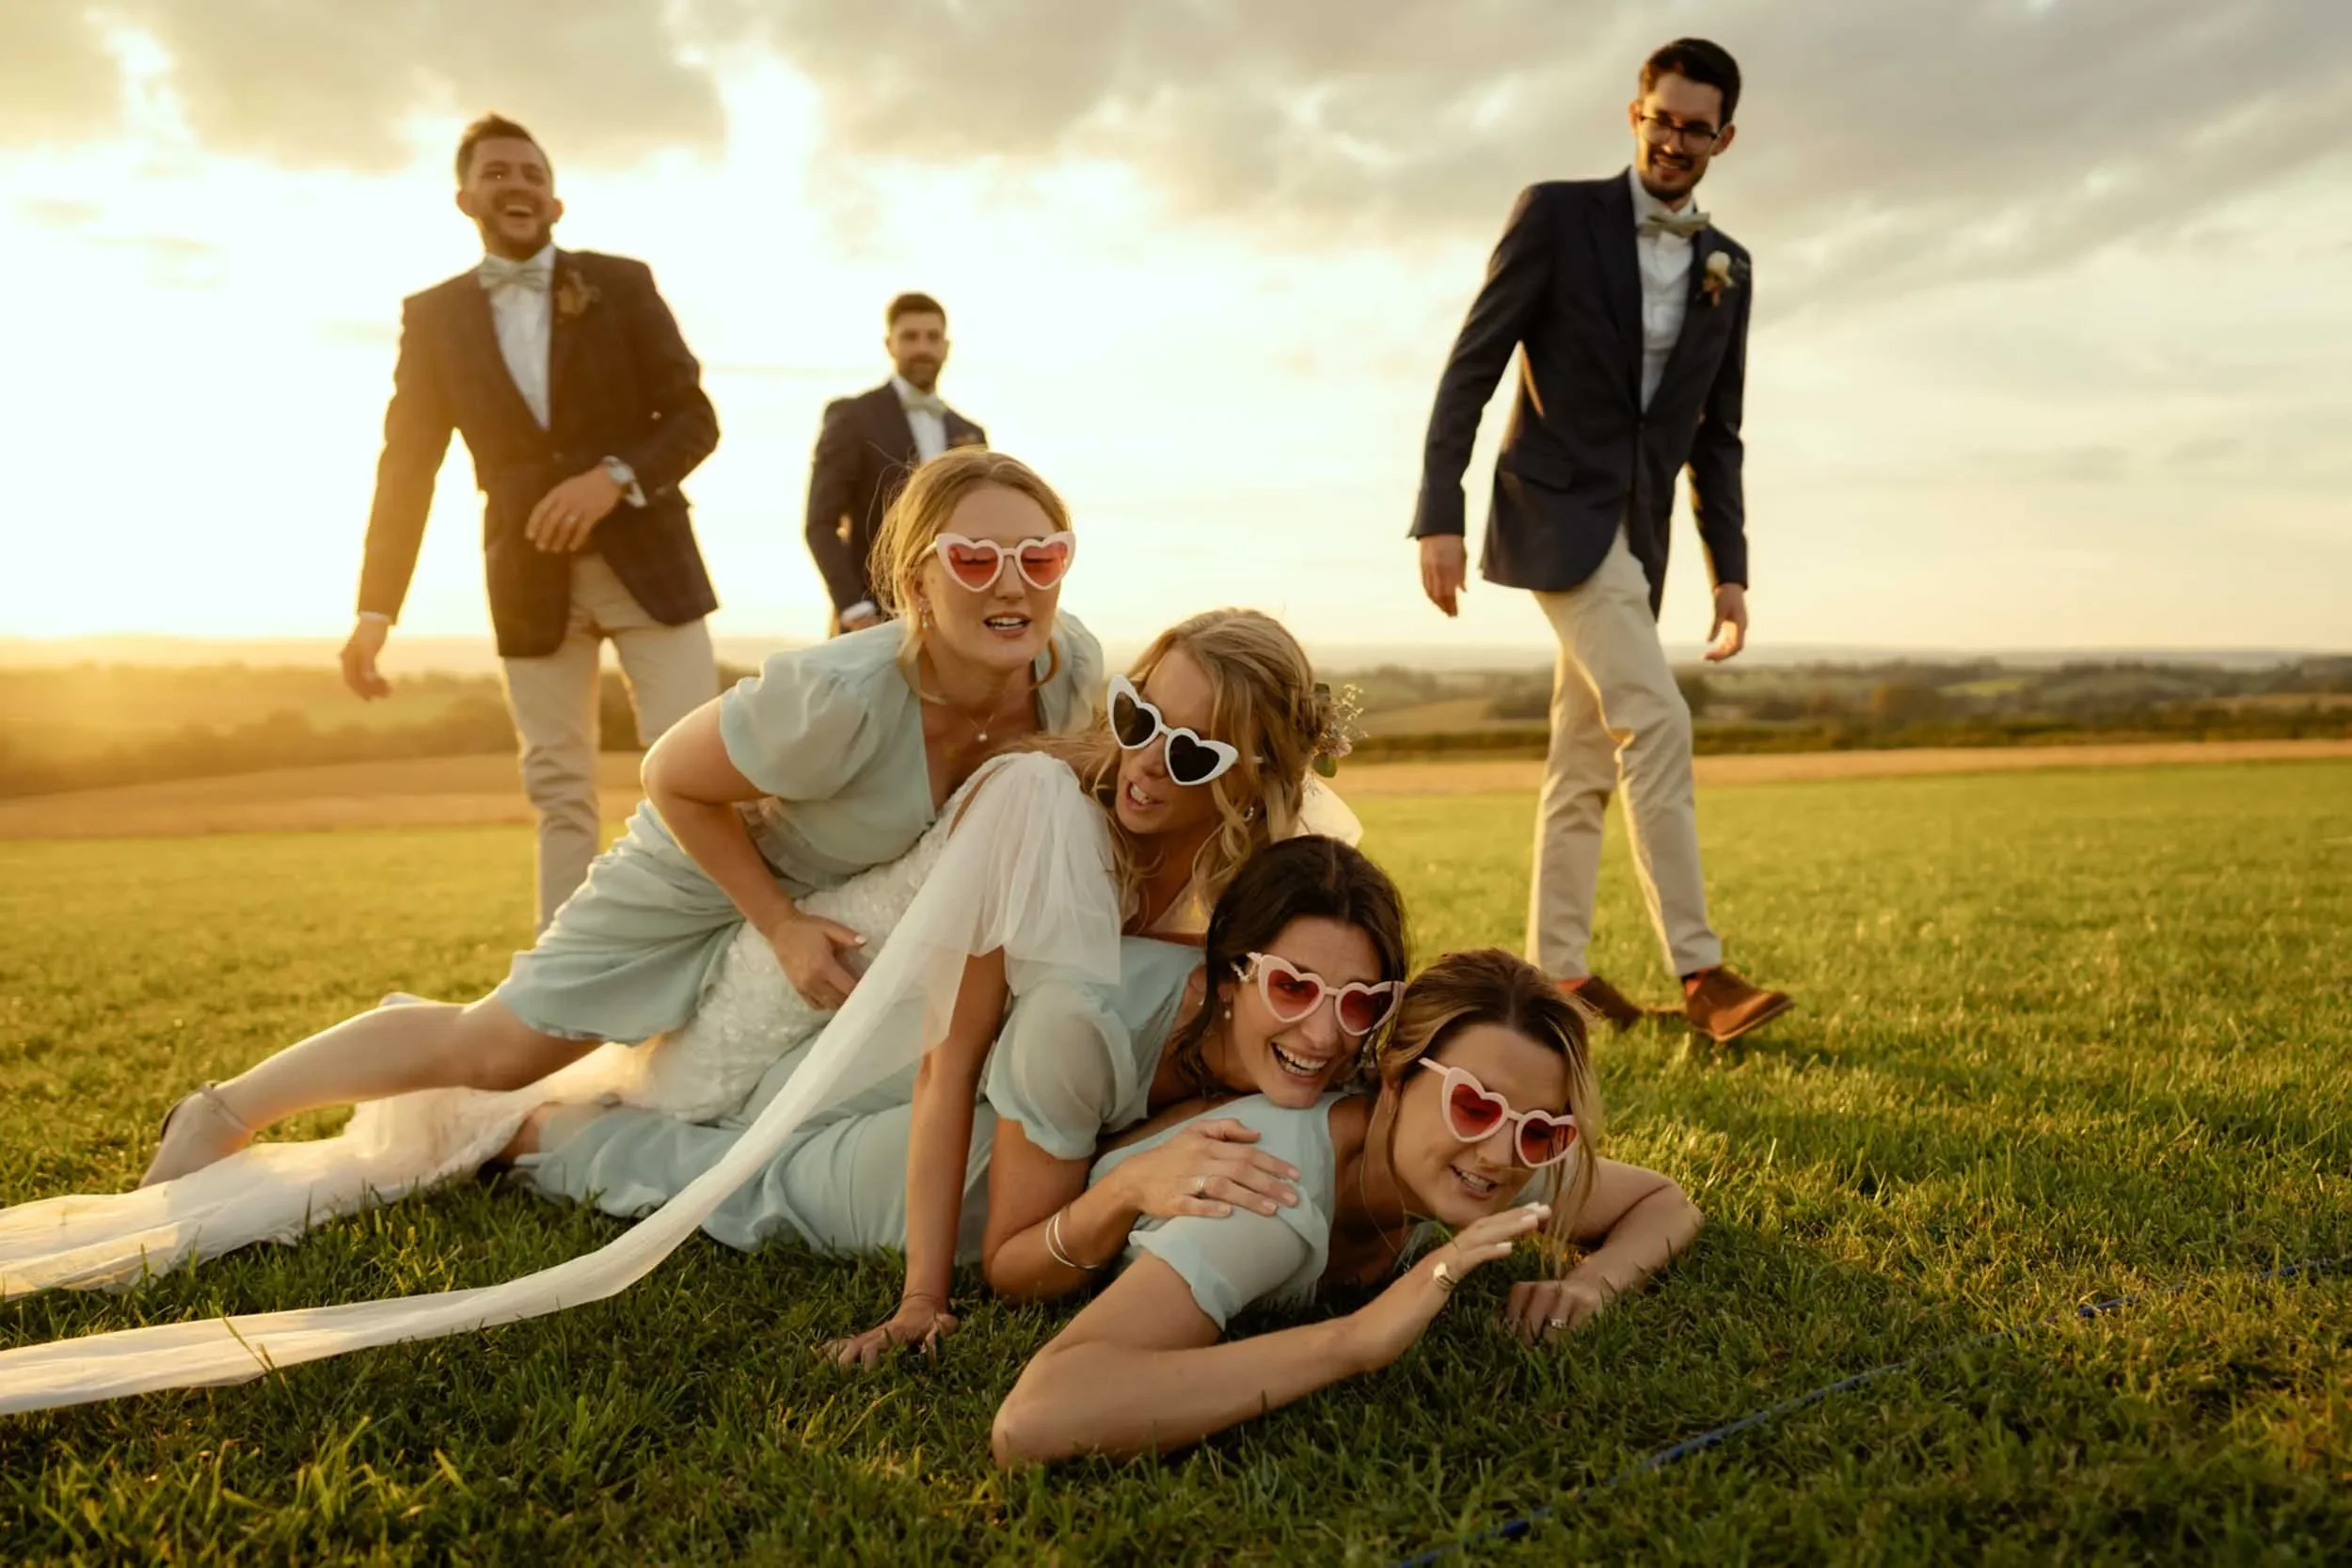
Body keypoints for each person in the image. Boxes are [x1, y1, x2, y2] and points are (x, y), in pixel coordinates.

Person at [135, 449, 1102, 1188]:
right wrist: (778, 923)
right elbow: (671, 776)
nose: (1012, 584)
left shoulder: (1071, 674)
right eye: (974, 558)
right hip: (696, 872)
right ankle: (223, 1110)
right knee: (499, 1046)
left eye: (1040, 555)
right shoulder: (836, 694)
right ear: (917, 580)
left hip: (840, 886)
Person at [512, 833, 1403, 1367]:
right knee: (752, 1171)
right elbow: (1017, 1268)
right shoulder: (1082, 1024)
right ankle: (523, 1127)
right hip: (920, 1067)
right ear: (1228, 976)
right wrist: (1127, 1187)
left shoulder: (1351, 1055)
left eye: (1360, 1000)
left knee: (775, 1176)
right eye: (1293, 987)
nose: (1326, 1033)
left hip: (1012, 1130)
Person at [1409, 40, 1792, 1044]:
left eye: (1695, 128)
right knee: (1656, 722)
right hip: (1551, 511)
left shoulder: (1729, 266)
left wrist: (1731, 573)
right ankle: (1702, 971)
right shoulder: (1555, 214)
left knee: (1579, 760)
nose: (1674, 140)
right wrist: (1438, 508)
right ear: (1635, 115)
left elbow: (1717, 433)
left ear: (1724, 138)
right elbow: (1473, 361)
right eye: (1660, 119)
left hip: (1640, 534)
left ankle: (1558, 978)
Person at [989, 949, 1703, 1465]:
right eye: (1472, 1104)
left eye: (1542, 1129)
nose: (1501, 1152)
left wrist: (1589, 1283)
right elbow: (1039, 1414)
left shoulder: (1489, 1160)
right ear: (1393, 1079)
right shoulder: (1268, 1193)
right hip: (964, 1165)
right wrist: (1355, 1340)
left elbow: (1664, 1199)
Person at [342, 113, 724, 932]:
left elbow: (694, 418)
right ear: (464, 197)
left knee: (700, 767)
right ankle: (568, 997)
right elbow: (406, 466)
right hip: (527, 580)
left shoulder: (623, 284)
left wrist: (613, 480)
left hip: (651, 566)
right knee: (559, 789)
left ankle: (717, 957)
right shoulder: (435, 317)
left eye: (530, 173)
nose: (516, 184)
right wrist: (375, 610)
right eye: (497, 172)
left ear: (555, 201)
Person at [806, 293, 987, 636]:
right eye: (910, 337)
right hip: (872, 619)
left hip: (955, 620)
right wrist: (855, 609)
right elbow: (820, 523)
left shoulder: (970, 433)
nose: (923, 348)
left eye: (933, 337)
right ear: (890, 344)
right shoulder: (852, 418)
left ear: (946, 347)